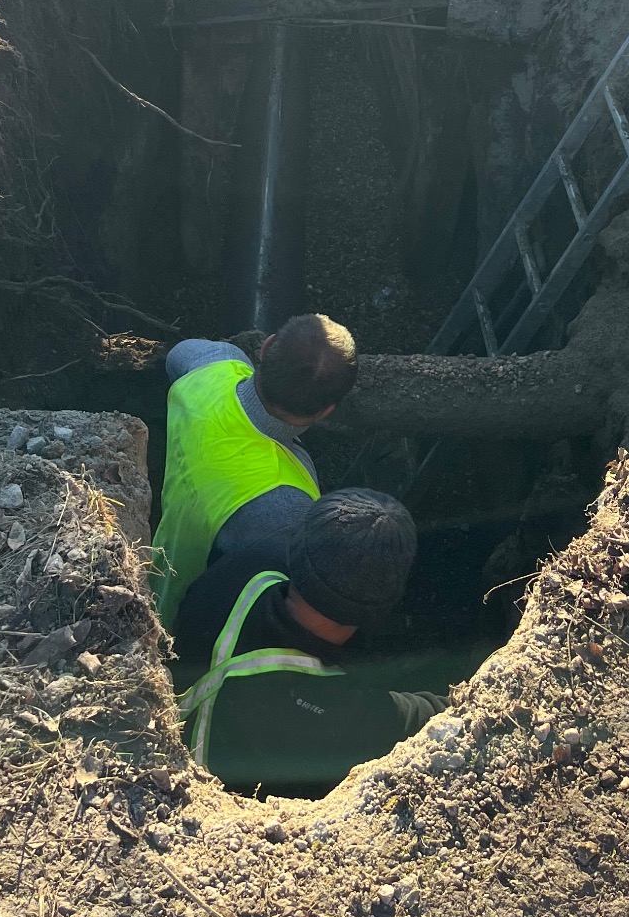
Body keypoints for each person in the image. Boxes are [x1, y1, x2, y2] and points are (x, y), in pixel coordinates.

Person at [173, 487, 443, 793]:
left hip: (169, 753)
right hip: (223, 809)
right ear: (381, 612)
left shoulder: (237, 572)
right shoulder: (340, 711)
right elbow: (437, 715)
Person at [151, 313, 358, 626]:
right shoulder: (285, 507)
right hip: (182, 624)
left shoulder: (214, 365)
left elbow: (178, 354)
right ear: (326, 411)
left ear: (266, 347)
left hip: (158, 563)